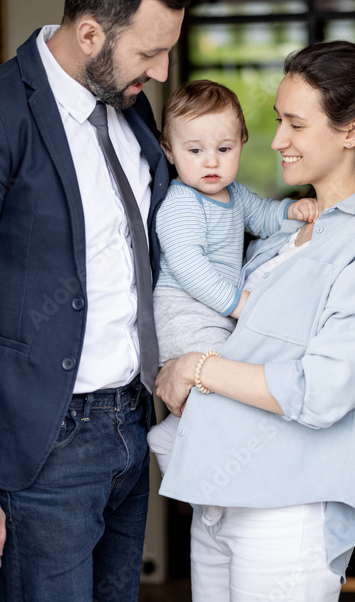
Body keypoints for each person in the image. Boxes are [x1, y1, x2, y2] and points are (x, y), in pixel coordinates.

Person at [0, 0, 190, 601]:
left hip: (129, 424)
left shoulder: (131, 107)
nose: (162, 68)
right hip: (43, 447)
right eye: (149, 51)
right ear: (90, 33)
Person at [154, 40, 355, 600]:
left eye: (295, 124)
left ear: (351, 131)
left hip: (285, 509)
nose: (278, 139)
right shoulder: (291, 227)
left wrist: (195, 366)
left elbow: (324, 388)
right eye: (279, 120)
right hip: (220, 495)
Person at [146, 80, 316, 474]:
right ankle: (179, 442)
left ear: (241, 142)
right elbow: (189, 268)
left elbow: (262, 216)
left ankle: (175, 431)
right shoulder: (181, 203)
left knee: (226, 382)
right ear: (169, 151)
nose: (211, 162)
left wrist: (292, 211)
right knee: (228, 376)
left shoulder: (233, 194)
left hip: (212, 310)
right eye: (194, 151)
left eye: (224, 149)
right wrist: (238, 304)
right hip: (182, 311)